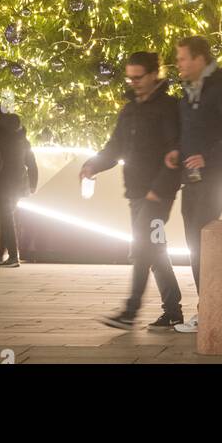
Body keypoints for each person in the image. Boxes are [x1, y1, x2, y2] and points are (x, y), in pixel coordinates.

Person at [81, 52, 183, 330]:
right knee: (155, 250)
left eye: (138, 77)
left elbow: (176, 151)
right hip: (137, 193)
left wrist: (159, 190)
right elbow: (115, 148)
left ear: (154, 75)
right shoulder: (129, 110)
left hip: (157, 195)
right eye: (130, 77)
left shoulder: (168, 108)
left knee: (142, 248)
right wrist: (93, 165)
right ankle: (173, 311)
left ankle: (130, 311)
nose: (133, 82)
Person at [163, 36, 222, 333]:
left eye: (184, 58)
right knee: (194, 238)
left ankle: (211, 309)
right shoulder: (190, 91)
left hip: (218, 174)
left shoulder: (221, 87)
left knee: (202, 237)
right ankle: (210, 306)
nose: (179, 63)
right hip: (194, 177)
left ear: (200, 59)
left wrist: (208, 158)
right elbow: (189, 130)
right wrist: (178, 149)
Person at [0, 105, 38, 267]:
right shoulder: (22, 136)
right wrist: (33, 183)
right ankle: (1, 253)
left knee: (7, 217)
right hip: (20, 181)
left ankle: (13, 256)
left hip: (3, 181)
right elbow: (31, 161)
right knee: (8, 216)